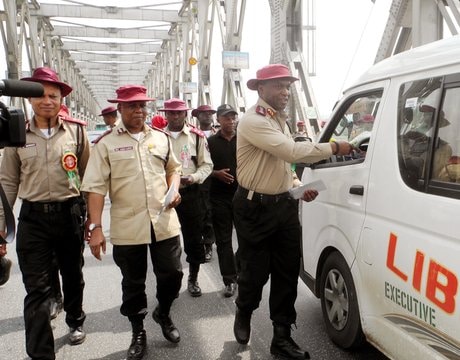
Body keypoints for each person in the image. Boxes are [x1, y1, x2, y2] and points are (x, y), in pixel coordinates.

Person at [233, 64, 353, 360]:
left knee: (287, 273)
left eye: (287, 86)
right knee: (255, 274)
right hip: (254, 208)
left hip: (284, 206)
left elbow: (284, 166)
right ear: (260, 89)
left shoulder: (280, 122)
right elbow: (293, 152)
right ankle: (244, 309)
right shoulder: (254, 121)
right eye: (278, 86)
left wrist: (297, 184)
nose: (285, 92)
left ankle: (282, 338)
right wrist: (336, 147)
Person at [81, 85, 183, 360]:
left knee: (173, 274)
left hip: (164, 221)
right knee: (133, 283)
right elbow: (95, 188)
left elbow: (174, 168)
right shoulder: (105, 144)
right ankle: (138, 331)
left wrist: (174, 189)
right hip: (128, 226)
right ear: (120, 110)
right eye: (132, 106)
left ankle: (163, 312)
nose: (139, 111)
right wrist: (96, 228)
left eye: (142, 106)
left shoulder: (161, 138)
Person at [0, 67, 89, 359]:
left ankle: (75, 319)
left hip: (69, 214)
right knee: (36, 288)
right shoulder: (17, 134)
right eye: (39, 95)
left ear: (62, 98)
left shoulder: (76, 131)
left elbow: (88, 176)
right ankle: (41, 354)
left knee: (72, 274)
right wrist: (1, 225)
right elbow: (8, 181)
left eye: (53, 95)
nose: (46, 101)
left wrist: (92, 218)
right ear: (30, 99)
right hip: (33, 219)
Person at [160, 98, 213, 297]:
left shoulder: (196, 137)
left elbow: (207, 165)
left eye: (179, 113)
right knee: (166, 240)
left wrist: (194, 177)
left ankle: (193, 278)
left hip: (190, 193)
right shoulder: (157, 136)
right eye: (171, 113)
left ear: (185, 114)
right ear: (166, 114)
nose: (175, 116)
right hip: (165, 195)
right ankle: (170, 281)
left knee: (193, 238)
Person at [207, 104, 239, 297]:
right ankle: (229, 279)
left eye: (234, 117)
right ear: (218, 120)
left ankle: (239, 270)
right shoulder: (209, 142)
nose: (231, 121)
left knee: (246, 239)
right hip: (219, 199)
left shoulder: (244, 140)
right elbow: (200, 167)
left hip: (243, 197)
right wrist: (215, 174)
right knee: (224, 241)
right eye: (227, 117)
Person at [192, 104, 218, 262]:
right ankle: (207, 243)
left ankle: (214, 241)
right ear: (197, 116)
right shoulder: (193, 135)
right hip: (202, 180)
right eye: (204, 114)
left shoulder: (219, 133)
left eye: (210, 113)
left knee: (215, 212)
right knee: (204, 212)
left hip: (220, 180)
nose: (208, 116)